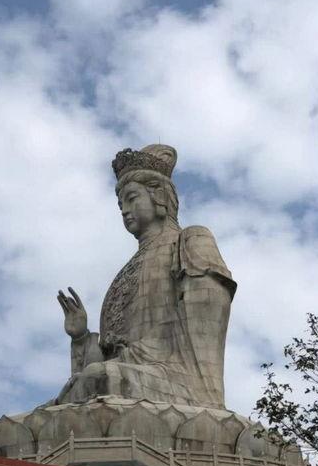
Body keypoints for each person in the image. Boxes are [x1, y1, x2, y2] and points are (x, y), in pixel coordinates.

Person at [56, 144, 236, 409]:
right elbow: (105, 359)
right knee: (79, 389)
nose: (124, 210)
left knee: (98, 378)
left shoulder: (191, 241)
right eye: (120, 204)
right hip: (128, 375)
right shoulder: (127, 269)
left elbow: (202, 336)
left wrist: (129, 359)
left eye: (131, 199)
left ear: (159, 196)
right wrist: (81, 338)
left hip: (177, 377)